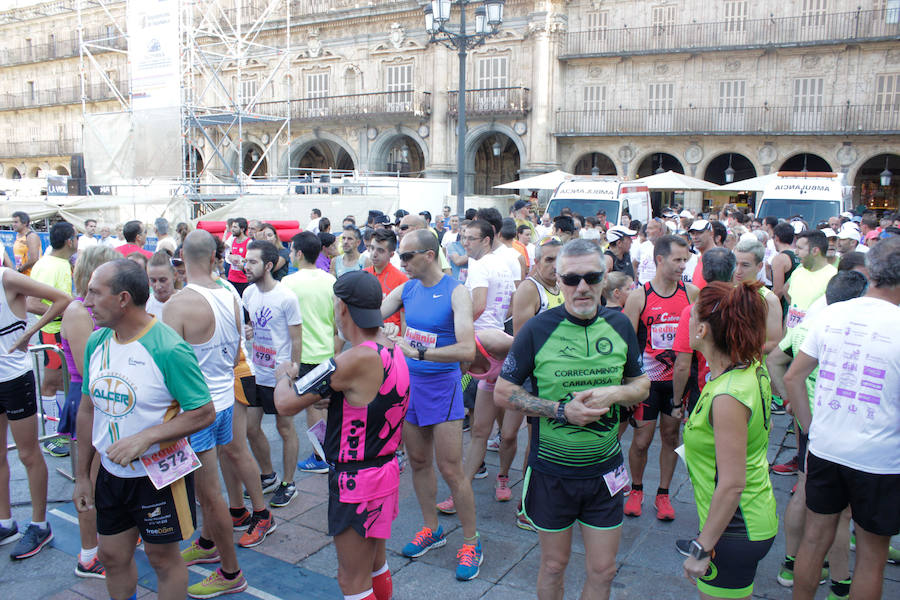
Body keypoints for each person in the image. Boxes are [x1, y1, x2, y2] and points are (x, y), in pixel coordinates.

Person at [495, 239, 650, 600]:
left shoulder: (620, 325)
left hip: (605, 470)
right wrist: (562, 411)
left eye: (592, 277)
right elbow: (504, 392)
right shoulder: (537, 329)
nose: (581, 287)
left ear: (604, 278)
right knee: (553, 564)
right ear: (559, 279)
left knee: (604, 569)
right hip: (552, 471)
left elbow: (641, 384)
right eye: (571, 279)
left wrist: (615, 393)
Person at [73, 259, 215, 600]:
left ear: (123, 298)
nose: (86, 300)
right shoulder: (97, 342)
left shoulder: (168, 347)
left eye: (94, 292)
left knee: (162, 559)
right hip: (110, 474)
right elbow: (88, 408)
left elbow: (204, 412)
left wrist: (145, 438)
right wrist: (81, 475)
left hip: (158, 476)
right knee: (111, 555)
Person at [274, 270, 409, 600]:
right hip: (384, 472)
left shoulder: (351, 359)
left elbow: (287, 404)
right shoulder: (392, 347)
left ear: (342, 307)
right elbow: (365, 399)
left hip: (356, 483)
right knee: (376, 565)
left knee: (352, 580)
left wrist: (283, 375)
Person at [785, 237, 900, 600]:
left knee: (815, 539)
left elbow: (792, 377)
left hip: (826, 446)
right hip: (880, 458)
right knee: (871, 557)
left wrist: (810, 428)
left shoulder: (833, 312)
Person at [380, 229, 481, 580]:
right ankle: (431, 528)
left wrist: (418, 351)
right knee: (419, 462)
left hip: (444, 386)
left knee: (451, 468)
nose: (401, 262)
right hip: (411, 386)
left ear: (428, 254)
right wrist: (387, 333)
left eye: (407, 256)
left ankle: (471, 542)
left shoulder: (457, 291)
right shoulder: (407, 289)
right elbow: (372, 316)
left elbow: (467, 350)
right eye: (400, 256)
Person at [164, 230, 257, 598]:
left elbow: (163, 367)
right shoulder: (230, 293)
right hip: (223, 400)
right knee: (215, 483)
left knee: (210, 495)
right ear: (215, 257)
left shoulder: (180, 303)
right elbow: (237, 349)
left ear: (183, 258)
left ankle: (231, 571)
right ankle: (206, 541)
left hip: (199, 409)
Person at [772, 271, 867, 597]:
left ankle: (790, 563)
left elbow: (777, 360)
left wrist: (791, 403)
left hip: (811, 425)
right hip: (836, 428)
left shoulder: (813, 323)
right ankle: (840, 585)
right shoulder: (853, 330)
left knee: (806, 495)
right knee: (840, 513)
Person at [681, 282, 778, 600]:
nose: (689, 322)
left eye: (693, 317)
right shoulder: (748, 369)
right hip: (746, 516)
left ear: (705, 330)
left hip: (736, 527)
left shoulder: (728, 394)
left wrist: (702, 547)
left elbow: (732, 483)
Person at [623, 234, 699, 521]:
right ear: (659, 259)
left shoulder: (691, 293)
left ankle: (664, 494)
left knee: (670, 436)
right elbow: (627, 344)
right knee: (641, 440)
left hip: (678, 381)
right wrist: (626, 384)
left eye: (685, 260)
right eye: (677, 259)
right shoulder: (639, 296)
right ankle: (637, 488)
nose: (683, 265)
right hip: (646, 382)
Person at [0, 262, 70, 560]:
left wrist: (28, 333)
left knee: (28, 454)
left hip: (15, 379)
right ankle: (6, 522)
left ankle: (39, 524)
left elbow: (62, 299)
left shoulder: (6, 277)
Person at [57, 245, 120, 577]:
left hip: (105, 402)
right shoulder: (78, 311)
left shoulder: (94, 311)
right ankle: (88, 555)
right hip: (89, 404)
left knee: (103, 480)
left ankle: (103, 542)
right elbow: (88, 370)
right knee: (89, 480)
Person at [242, 240, 304, 507]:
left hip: (280, 374)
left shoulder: (286, 297)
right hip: (256, 371)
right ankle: (268, 475)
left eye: (252, 262)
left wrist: (294, 369)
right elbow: (257, 325)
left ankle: (289, 483)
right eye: (246, 261)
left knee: (284, 428)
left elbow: (296, 337)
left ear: (268, 265)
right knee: (250, 428)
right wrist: (251, 332)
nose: (246, 266)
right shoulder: (247, 294)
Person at [281, 232, 338, 474]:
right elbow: (337, 323)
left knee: (313, 409)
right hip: (326, 353)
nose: (291, 254)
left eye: (292, 250)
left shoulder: (287, 284)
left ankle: (320, 456)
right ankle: (329, 452)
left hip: (303, 355)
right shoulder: (331, 281)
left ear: (299, 253)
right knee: (325, 406)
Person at [28, 221, 77, 457]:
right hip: (52, 331)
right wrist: (65, 311)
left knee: (61, 383)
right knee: (51, 383)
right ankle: (50, 437)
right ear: (69, 241)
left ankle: (61, 432)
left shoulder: (59, 263)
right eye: (76, 237)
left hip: (60, 329)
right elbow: (33, 302)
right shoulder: (50, 266)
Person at [671, 248, 736, 418]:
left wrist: (676, 402)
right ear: (733, 272)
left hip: (705, 392)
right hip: (743, 389)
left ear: (704, 274)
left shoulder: (694, 312)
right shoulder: (750, 305)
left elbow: (682, 365)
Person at [732, 238, 783, 354]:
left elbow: (774, 343)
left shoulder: (769, 299)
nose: (738, 270)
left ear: (759, 266)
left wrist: (742, 353)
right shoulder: (728, 292)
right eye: (735, 264)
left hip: (754, 367)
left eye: (745, 265)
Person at [364, 228, 407, 332]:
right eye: (372, 248)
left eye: (380, 250)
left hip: (391, 340)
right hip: (367, 338)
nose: (374, 254)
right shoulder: (363, 275)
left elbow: (404, 320)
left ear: (391, 254)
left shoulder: (401, 280)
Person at [144, 251, 177, 319]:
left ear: (175, 275)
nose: (158, 286)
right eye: (153, 280)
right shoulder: (144, 305)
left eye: (163, 280)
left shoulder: (186, 303)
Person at [633, 218, 664, 285]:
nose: (646, 231)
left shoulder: (668, 247)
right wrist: (635, 282)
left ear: (660, 231)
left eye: (650, 228)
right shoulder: (643, 246)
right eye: (647, 228)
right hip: (642, 288)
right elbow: (635, 264)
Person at [226, 217, 251, 296]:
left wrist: (240, 261)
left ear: (242, 229)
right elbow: (229, 254)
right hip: (231, 278)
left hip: (243, 280)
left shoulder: (249, 242)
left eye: (235, 227)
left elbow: (249, 260)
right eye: (232, 227)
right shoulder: (233, 240)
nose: (232, 229)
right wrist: (231, 257)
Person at [11, 211, 41, 275]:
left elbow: (34, 259)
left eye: (16, 222)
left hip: (32, 276)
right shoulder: (18, 236)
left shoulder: (31, 236)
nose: (13, 224)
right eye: (13, 222)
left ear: (24, 223)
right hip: (22, 275)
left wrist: (19, 270)